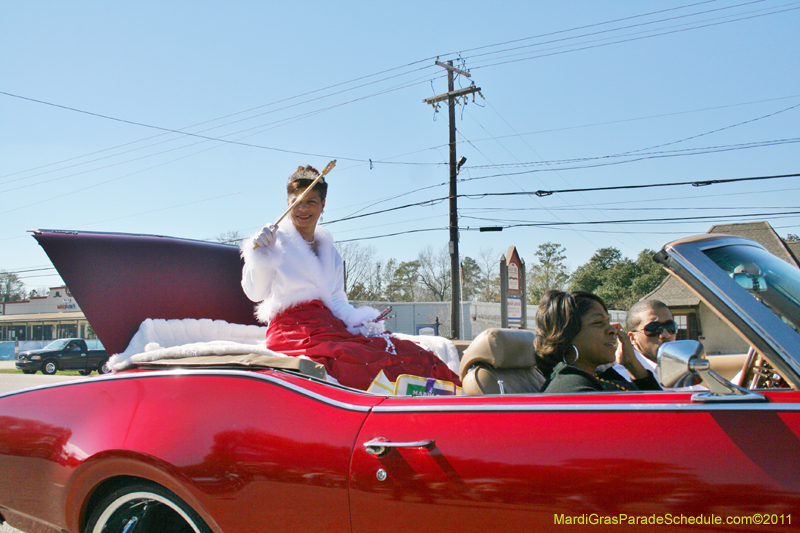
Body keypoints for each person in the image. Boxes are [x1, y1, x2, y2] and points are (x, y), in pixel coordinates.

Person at [240, 165, 460, 390]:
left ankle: (433, 399)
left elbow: (336, 300)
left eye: (311, 202)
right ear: (288, 203)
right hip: (292, 331)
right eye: (297, 202)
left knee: (403, 352)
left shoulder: (330, 253)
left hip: (328, 326)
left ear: (323, 205)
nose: (303, 209)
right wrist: (260, 255)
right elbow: (254, 293)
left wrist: (359, 321)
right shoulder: (272, 243)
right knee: (354, 359)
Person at [533, 290, 661, 393]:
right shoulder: (572, 388)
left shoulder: (601, 377)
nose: (613, 330)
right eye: (598, 322)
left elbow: (658, 407)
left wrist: (631, 363)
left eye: (608, 321)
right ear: (567, 335)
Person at [607, 300, 677, 381]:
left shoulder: (689, 370)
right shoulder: (617, 379)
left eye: (670, 326)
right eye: (653, 328)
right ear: (633, 338)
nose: (666, 335)